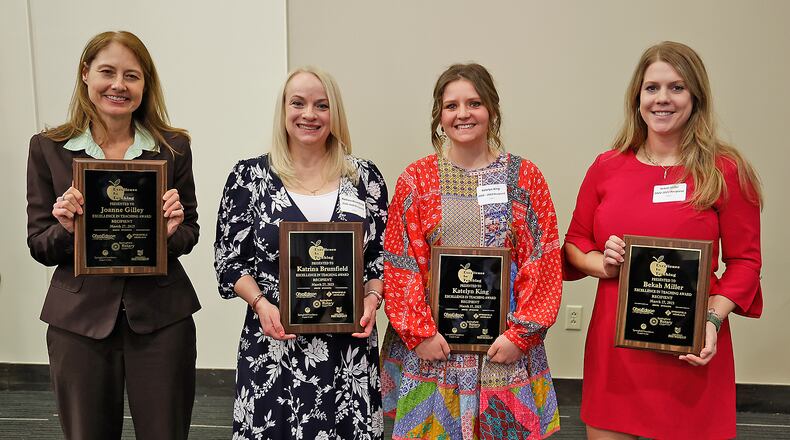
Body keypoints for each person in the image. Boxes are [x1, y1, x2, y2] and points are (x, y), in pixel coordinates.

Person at [563, 41, 763, 439]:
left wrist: (711, 319)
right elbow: (575, 243)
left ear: (696, 97)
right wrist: (600, 263)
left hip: (688, 352)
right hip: (615, 356)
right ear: (637, 96)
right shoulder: (607, 167)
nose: (662, 99)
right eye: (652, 88)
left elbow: (746, 263)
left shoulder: (726, 171)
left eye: (676, 87)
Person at [26, 31, 200, 439]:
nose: (118, 85)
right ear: (86, 74)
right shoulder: (49, 148)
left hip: (162, 319)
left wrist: (172, 232)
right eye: (107, 72)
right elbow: (39, 243)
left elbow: (189, 232)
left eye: (131, 76)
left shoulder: (172, 148)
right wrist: (67, 229)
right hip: (78, 323)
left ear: (145, 84)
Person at [380, 63, 562, 439]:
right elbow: (401, 261)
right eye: (451, 106)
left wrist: (520, 336)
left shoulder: (524, 178)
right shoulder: (416, 180)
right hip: (435, 349)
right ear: (439, 116)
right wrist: (420, 334)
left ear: (491, 109)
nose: (463, 114)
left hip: (503, 349)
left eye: (474, 103)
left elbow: (542, 259)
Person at [214, 67, 388, 439]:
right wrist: (261, 305)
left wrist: (372, 299)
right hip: (274, 345)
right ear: (284, 109)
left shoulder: (365, 178)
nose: (309, 114)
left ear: (334, 113)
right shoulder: (249, 177)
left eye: (321, 105)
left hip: (348, 353)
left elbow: (379, 257)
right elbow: (229, 261)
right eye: (299, 103)